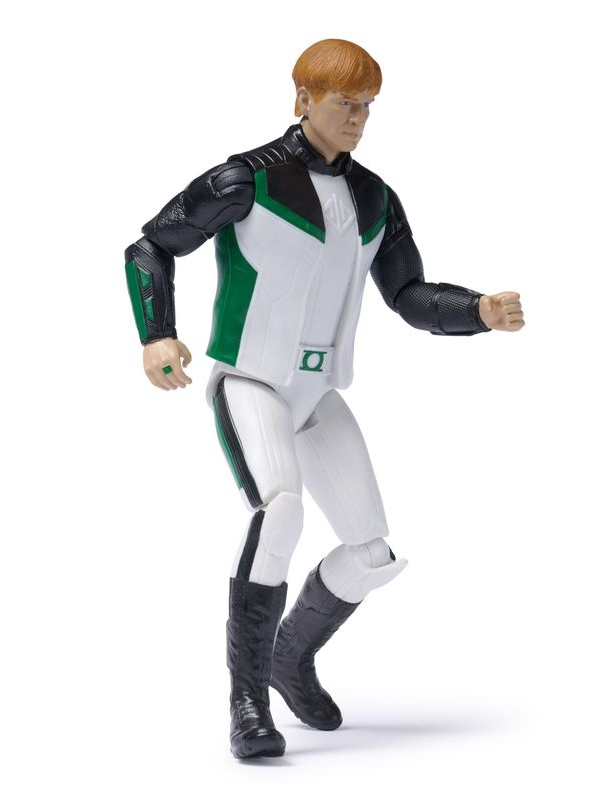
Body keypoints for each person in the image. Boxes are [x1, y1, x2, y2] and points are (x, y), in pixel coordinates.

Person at [124, 38, 524, 759]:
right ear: (303, 99)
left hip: (317, 395)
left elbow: (407, 293)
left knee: (370, 553)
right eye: (345, 103)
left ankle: (289, 658)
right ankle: (247, 700)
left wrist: (477, 311)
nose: (358, 119)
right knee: (280, 511)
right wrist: (157, 335)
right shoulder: (247, 179)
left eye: (368, 106)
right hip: (251, 380)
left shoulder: (375, 197)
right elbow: (151, 246)